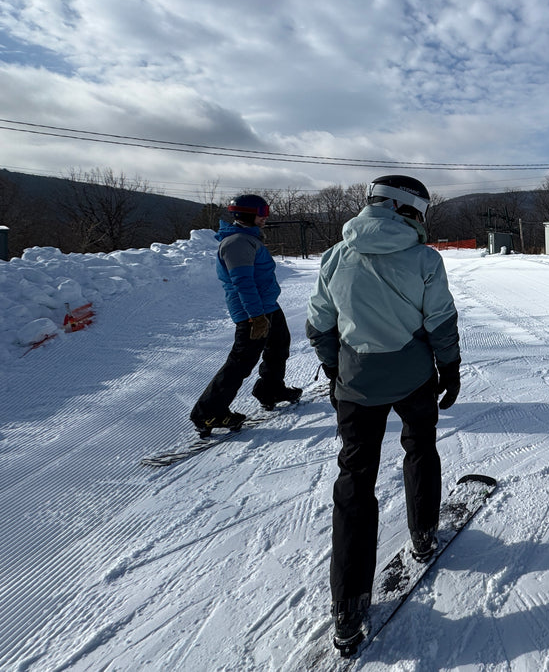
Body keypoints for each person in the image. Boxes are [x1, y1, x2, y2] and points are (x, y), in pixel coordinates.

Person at [306, 174, 461, 656]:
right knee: (420, 448)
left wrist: (337, 372)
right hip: (413, 377)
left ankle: (348, 608)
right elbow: (439, 320)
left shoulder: (336, 255)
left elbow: (319, 323)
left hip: (357, 383)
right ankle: (423, 534)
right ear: (409, 209)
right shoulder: (424, 258)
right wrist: (450, 367)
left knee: (355, 479)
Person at [190, 194, 300, 437]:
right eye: (262, 211)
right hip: (253, 312)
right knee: (241, 361)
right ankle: (208, 412)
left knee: (279, 345)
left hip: (266, 306)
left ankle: (271, 389)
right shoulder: (238, 242)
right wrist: (256, 317)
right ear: (248, 214)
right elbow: (243, 283)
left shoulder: (248, 239)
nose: (265, 217)